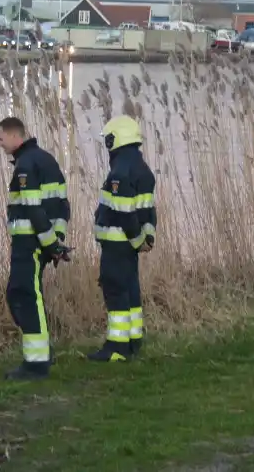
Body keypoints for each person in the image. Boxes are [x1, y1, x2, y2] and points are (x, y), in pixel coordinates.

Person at [0, 117, 70, 380]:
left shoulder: (25, 166)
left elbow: (34, 209)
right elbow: (62, 206)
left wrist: (51, 245)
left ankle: (36, 363)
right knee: (23, 294)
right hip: (42, 241)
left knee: (24, 295)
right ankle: (42, 352)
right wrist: (56, 240)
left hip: (30, 243)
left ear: (16, 137)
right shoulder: (45, 159)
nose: (0, 145)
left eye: (0, 139)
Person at [89, 116, 157, 362]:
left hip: (117, 243)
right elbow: (148, 210)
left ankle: (116, 347)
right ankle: (133, 341)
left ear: (114, 139)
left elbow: (124, 213)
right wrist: (148, 236)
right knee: (131, 289)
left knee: (116, 289)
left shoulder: (120, 171)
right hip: (129, 245)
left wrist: (138, 239)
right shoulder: (142, 168)